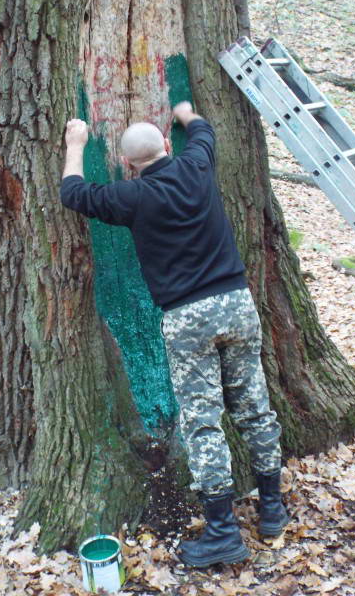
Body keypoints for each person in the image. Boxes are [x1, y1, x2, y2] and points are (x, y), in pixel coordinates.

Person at [60, 101, 289, 568]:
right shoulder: (197, 165)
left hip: (188, 319)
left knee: (203, 421)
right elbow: (204, 132)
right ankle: (272, 507)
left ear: (127, 165)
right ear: (167, 145)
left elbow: (74, 193)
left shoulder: (132, 197)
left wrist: (75, 144)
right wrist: (185, 112)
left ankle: (223, 531)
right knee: (254, 408)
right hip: (236, 303)